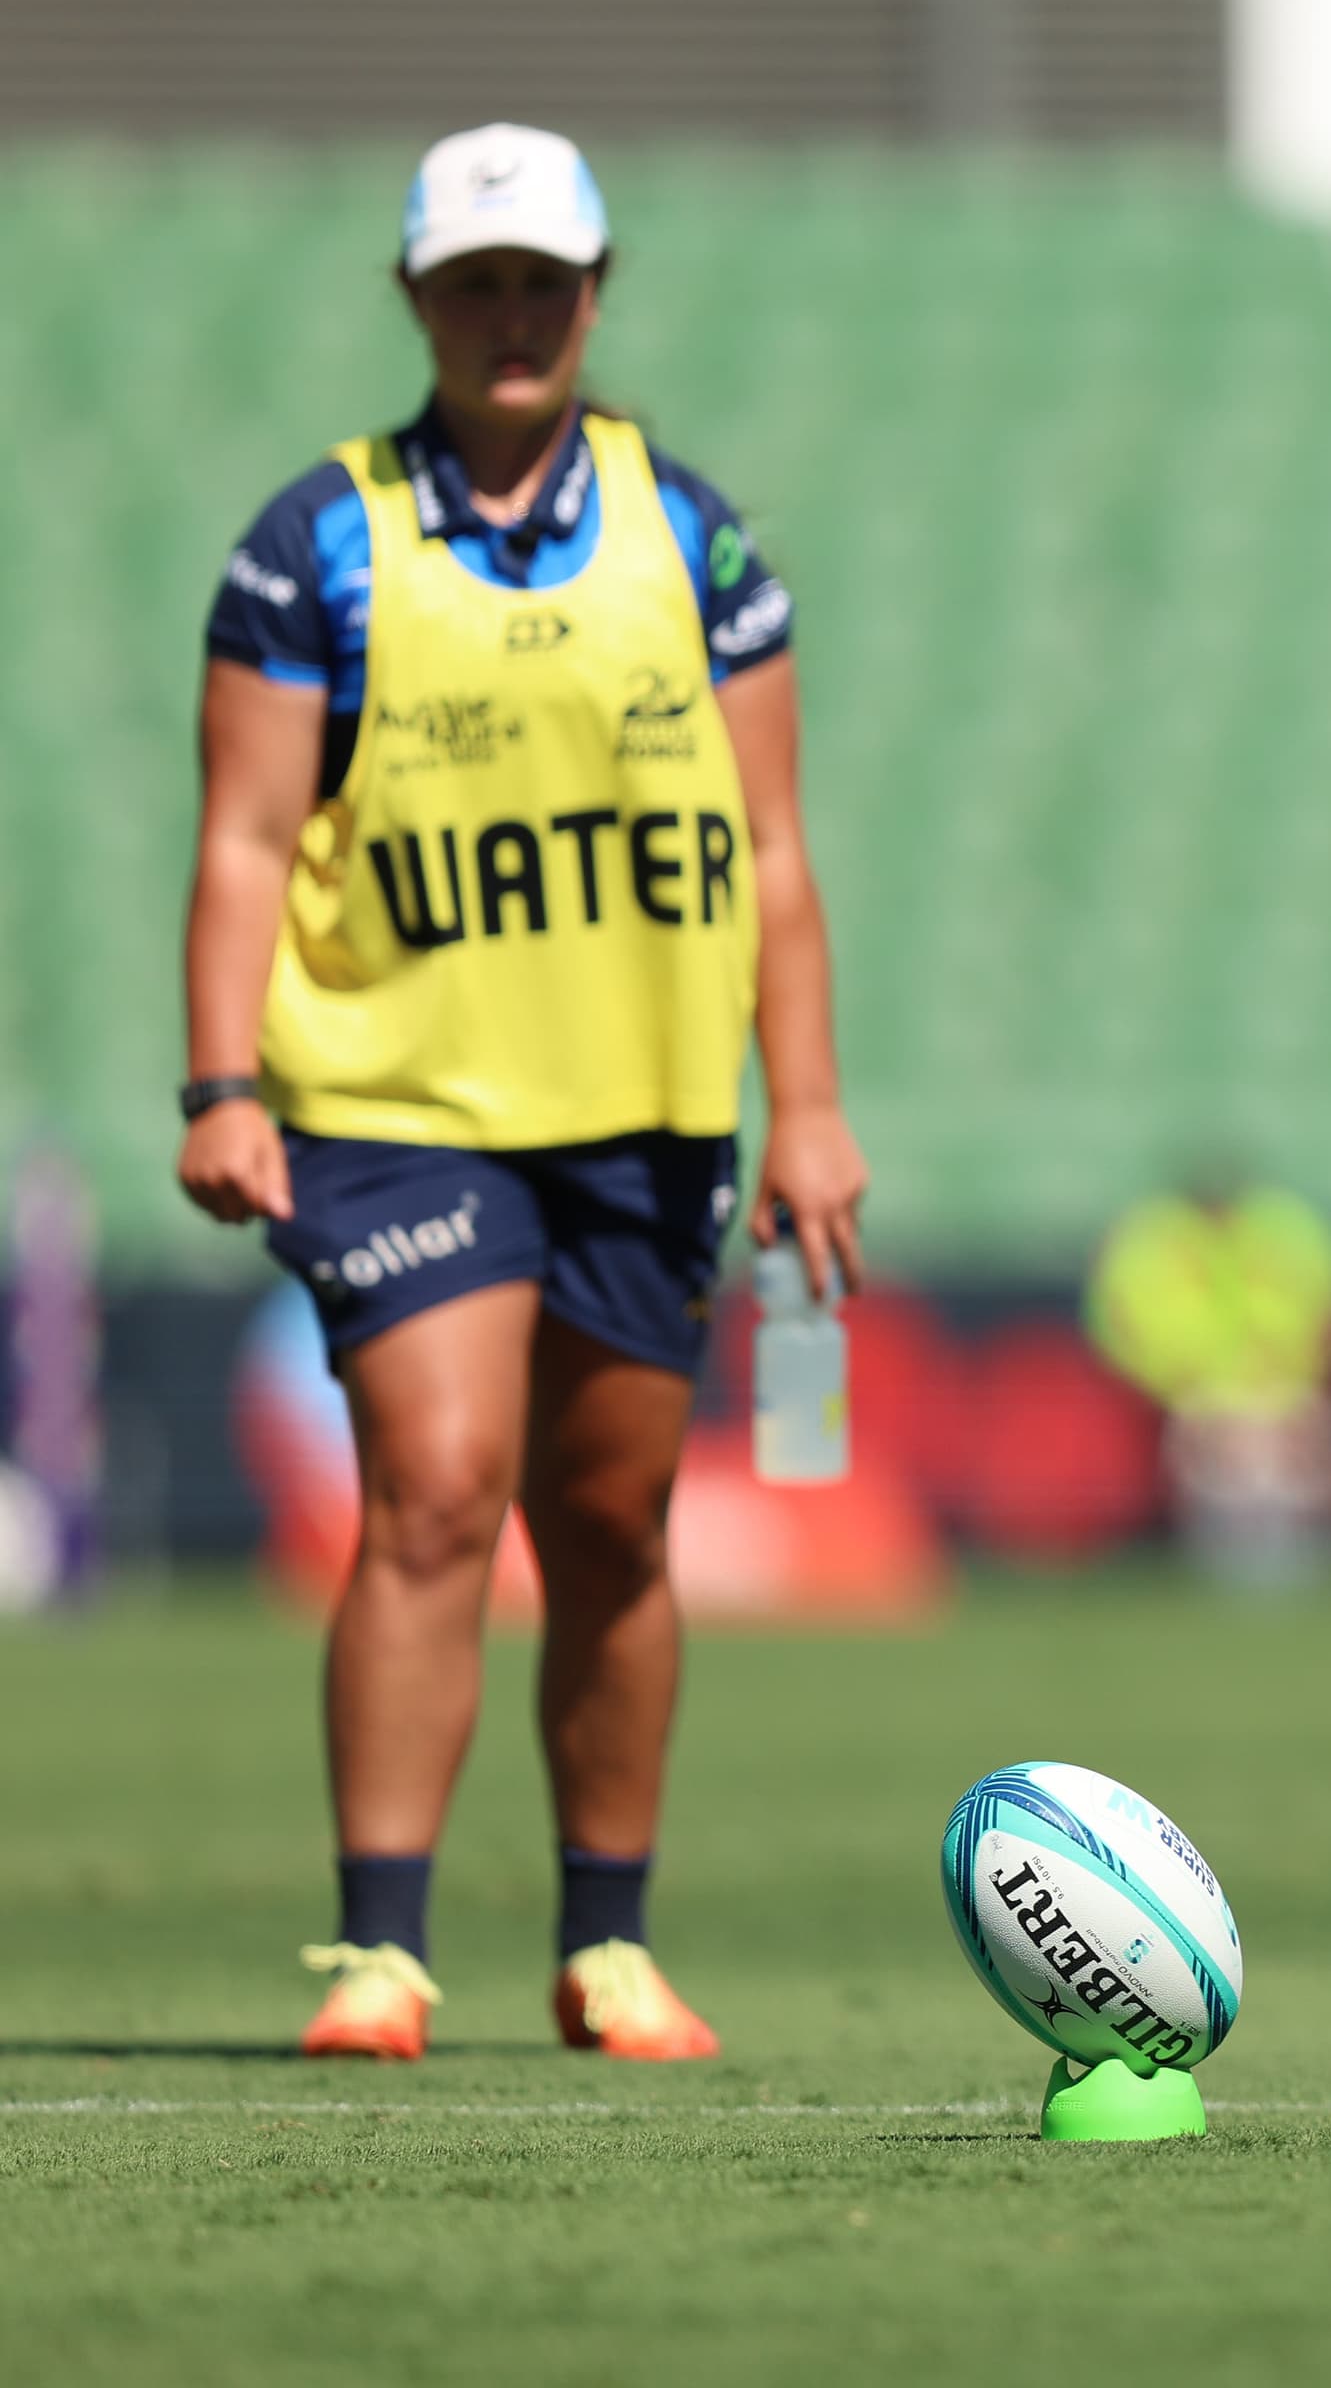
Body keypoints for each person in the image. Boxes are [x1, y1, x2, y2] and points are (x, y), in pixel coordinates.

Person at [176, 124, 867, 2060]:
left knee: (615, 1518)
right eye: (473, 279)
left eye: (541, 280)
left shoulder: (694, 539)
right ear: (416, 296)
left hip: (643, 1108)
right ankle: (381, 1946)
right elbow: (245, 838)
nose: (510, 313)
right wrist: (223, 1080)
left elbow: (775, 850)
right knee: (436, 1484)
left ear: (595, 289)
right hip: (392, 1096)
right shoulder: (314, 543)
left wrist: (809, 1107)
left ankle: (606, 1940)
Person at [1085, 1167, 1331, 1581]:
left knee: (1303, 1443)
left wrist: (1301, 1371)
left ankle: (1310, 1555)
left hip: (1285, 1386)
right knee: (1223, 1452)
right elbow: (1118, 1325)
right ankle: (1228, 1556)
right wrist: (1174, 1380)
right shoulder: (1151, 1234)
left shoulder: (1285, 1224)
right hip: (1196, 1395)